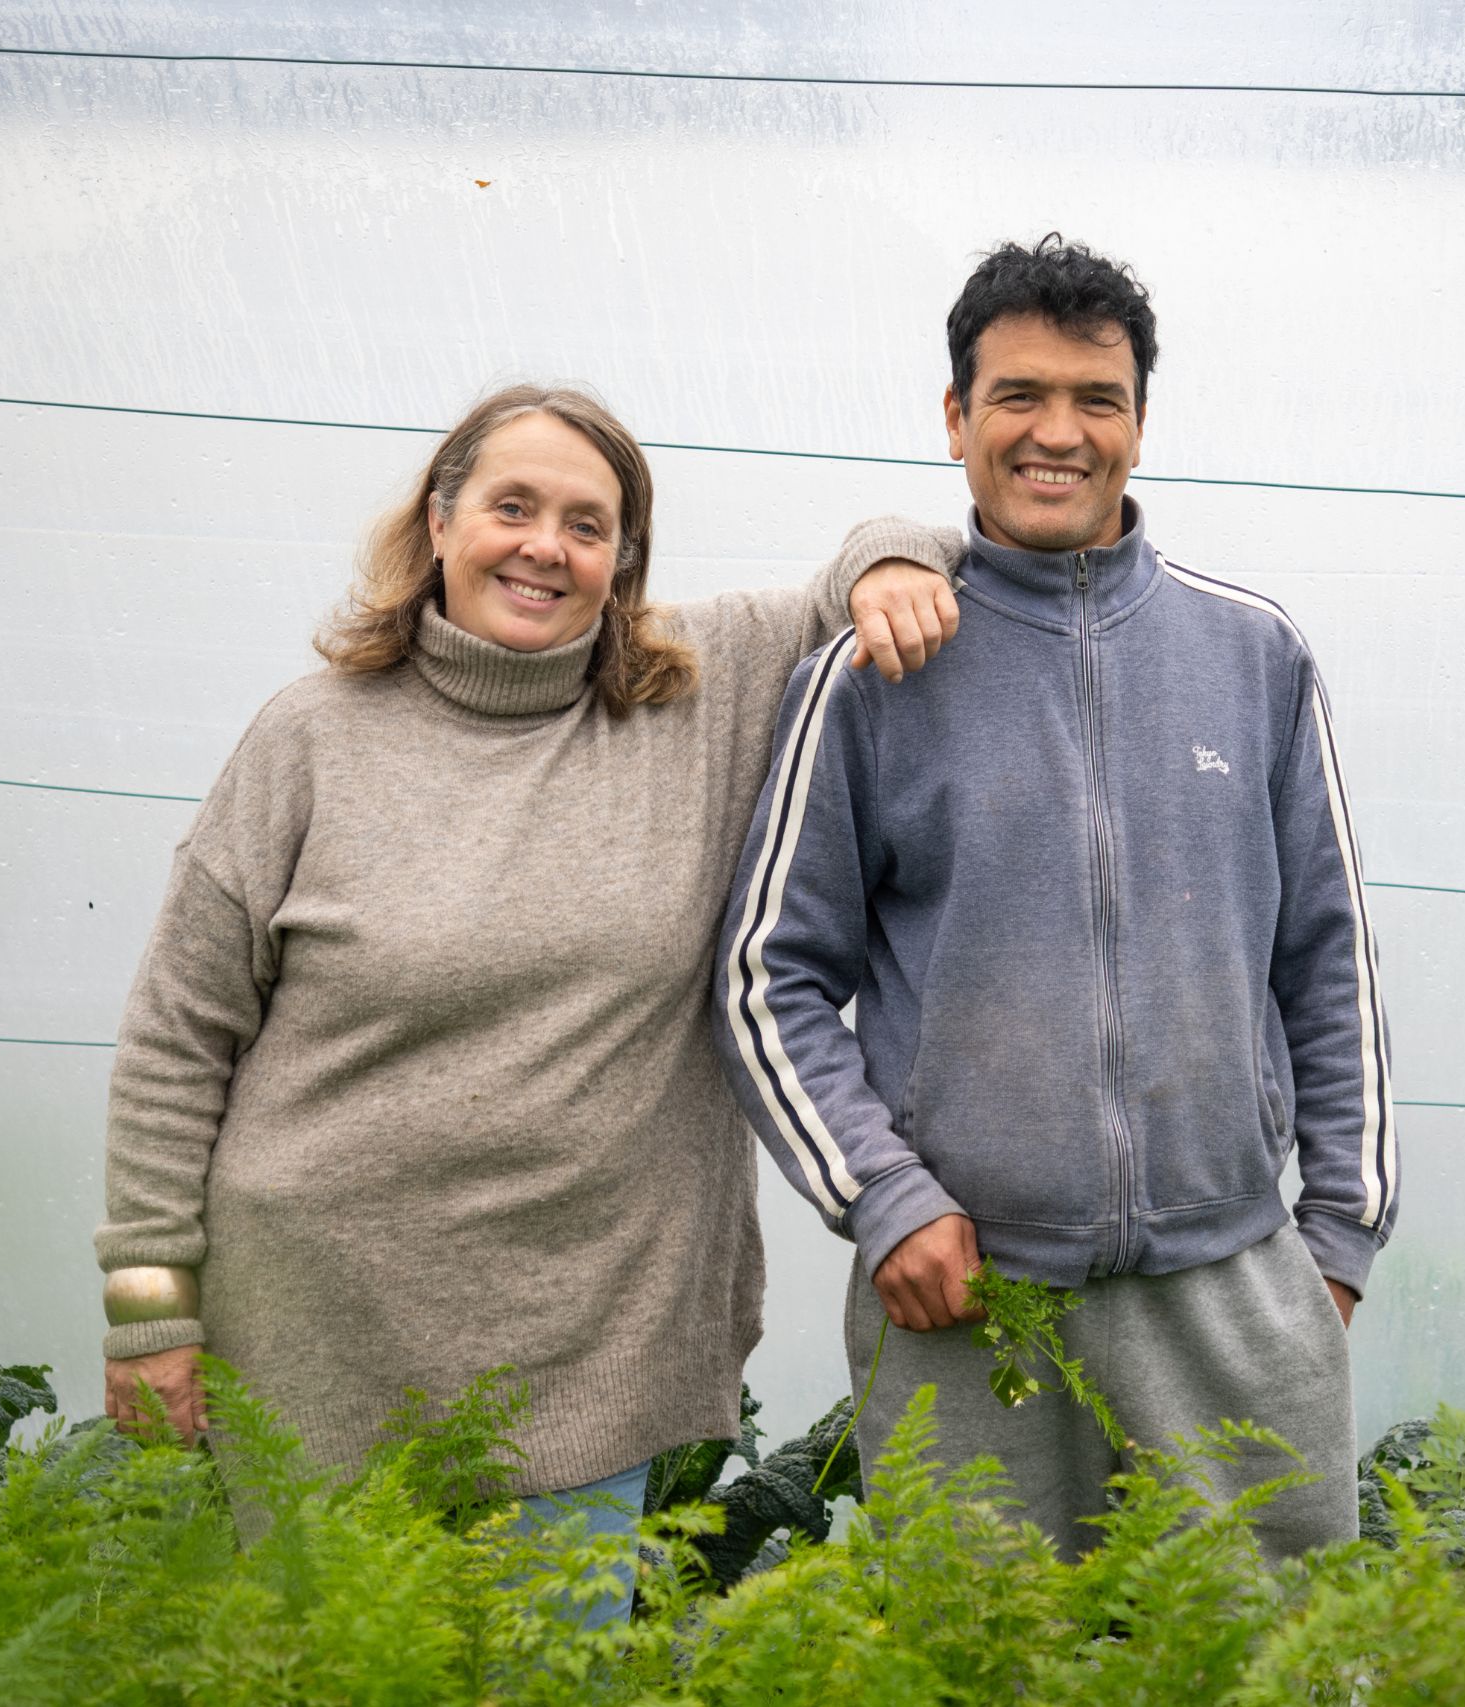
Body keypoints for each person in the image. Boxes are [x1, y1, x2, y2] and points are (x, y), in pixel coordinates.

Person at [92, 383, 963, 1569]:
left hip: (583, 1344)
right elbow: (175, 1039)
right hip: (314, 1338)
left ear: (624, 559)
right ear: (439, 522)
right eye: (513, 507)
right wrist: (151, 1310)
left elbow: (876, 563)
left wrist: (891, 570)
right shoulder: (308, 739)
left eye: (587, 524)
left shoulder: (696, 696)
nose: (546, 547)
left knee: (548, 1668)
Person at [711, 235, 1397, 1558]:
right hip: (970, 1316)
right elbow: (766, 979)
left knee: (1266, 1665)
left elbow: (1328, 959)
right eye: (1018, 395)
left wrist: (1338, 1238)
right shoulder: (870, 674)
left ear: (1143, 423)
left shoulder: (1252, 652)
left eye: (1099, 399)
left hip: (1239, 1294)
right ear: (957, 419)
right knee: (985, 1665)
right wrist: (885, 1195)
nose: (1058, 433)